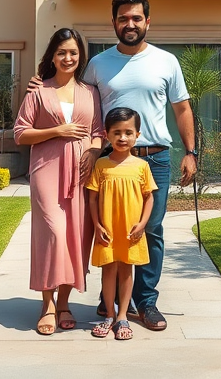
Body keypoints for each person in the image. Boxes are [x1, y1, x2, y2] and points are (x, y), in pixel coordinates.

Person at [80, 0, 196, 331]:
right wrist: (40, 83)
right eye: (123, 18)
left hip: (154, 158)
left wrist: (190, 152)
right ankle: (113, 301)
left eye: (136, 18)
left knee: (150, 230)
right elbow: (82, 106)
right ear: (113, 22)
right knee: (109, 230)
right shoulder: (98, 64)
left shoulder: (166, 61)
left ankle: (146, 304)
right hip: (108, 161)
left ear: (147, 21)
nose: (129, 24)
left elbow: (182, 109)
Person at [14, 27, 105, 336]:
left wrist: (92, 153)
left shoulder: (89, 92)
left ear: (81, 57)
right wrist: (57, 131)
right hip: (46, 169)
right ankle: (47, 303)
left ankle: (64, 303)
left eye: (74, 52)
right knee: (52, 232)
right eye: (62, 52)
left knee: (76, 236)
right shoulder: (39, 91)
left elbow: (99, 131)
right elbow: (20, 132)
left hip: (81, 171)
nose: (68, 57)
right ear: (52, 56)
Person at [87, 107, 156, 341]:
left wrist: (143, 223)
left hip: (130, 230)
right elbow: (93, 198)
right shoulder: (101, 165)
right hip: (107, 229)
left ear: (137, 134)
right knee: (108, 271)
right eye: (117, 132)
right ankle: (108, 314)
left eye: (128, 132)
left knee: (127, 271)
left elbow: (149, 197)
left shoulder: (142, 166)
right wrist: (97, 225)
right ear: (107, 134)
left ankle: (123, 316)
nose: (122, 138)